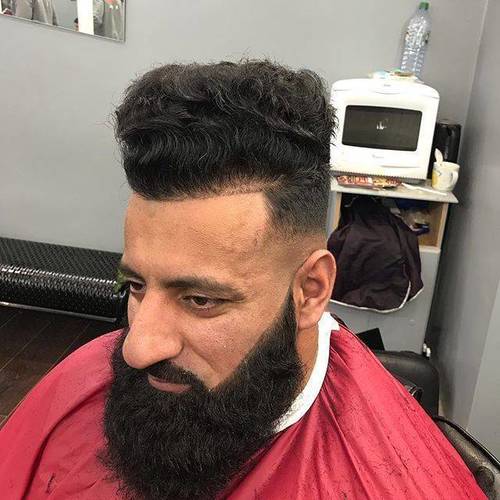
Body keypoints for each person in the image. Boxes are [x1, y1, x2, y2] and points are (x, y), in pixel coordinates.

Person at [0, 60, 486, 500]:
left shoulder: (395, 482)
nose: (137, 348)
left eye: (199, 300)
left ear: (310, 291)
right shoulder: (77, 387)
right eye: (137, 286)